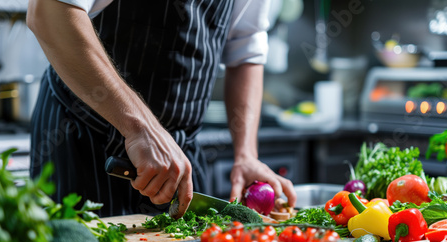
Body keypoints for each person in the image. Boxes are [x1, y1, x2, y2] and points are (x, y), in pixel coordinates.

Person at [27, 0, 297, 218]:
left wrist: (246, 154)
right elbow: (50, 12)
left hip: (181, 160)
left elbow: (246, 48)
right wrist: (141, 128)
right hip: (80, 141)